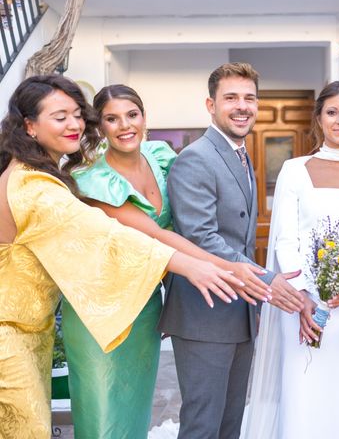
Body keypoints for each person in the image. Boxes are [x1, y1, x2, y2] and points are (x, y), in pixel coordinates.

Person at [0, 75, 243, 439]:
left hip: (32, 330)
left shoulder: (37, 173)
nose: (74, 124)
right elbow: (107, 236)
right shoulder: (34, 187)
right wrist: (193, 266)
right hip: (10, 335)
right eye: (59, 116)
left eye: (76, 114)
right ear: (30, 126)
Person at [62, 84, 272, 438]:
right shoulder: (93, 180)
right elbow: (157, 234)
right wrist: (231, 267)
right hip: (103, 308)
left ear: (145, 117)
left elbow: (192, 218)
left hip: (143, 301)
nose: (125, 126)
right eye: (112, 119)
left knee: (134, 410)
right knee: (104, 414)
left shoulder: (159, 156)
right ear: (100, 127)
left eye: (132, 115)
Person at [241, 81, 339, 439]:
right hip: (305, 305)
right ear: (319, 119)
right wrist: (305, 295)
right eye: (332, 112)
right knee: (306, 394)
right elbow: (285, 237)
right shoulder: (294, 169)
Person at [158, 62, 305, 439]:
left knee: (230, 423)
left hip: (238, 311)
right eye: (231, 98)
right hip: (204, 312)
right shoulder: (195, 158)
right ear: (211, 105)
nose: (242, 106)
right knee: (203, 424)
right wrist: (268, 281)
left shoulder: (240, 155)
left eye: (250, 98)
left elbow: (237, 238)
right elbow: (202, 237)